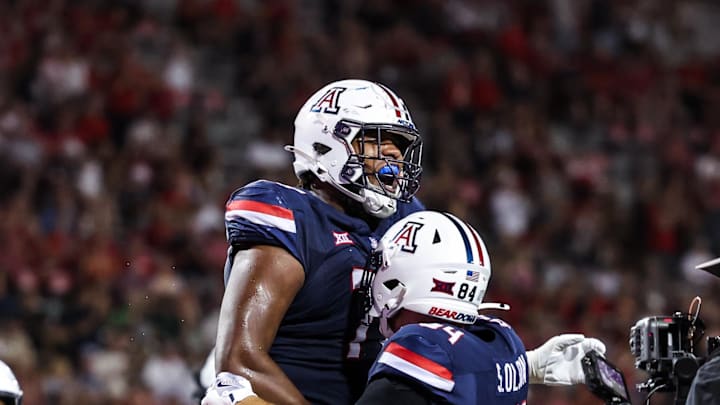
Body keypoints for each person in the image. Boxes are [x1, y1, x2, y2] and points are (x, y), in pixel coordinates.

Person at [202, 79, 605, 405]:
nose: (394, 158)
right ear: (326, 144)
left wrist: (526, 363)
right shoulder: (291, 219)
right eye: (378, 142)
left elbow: (439, 334)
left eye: (399, 145)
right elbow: (238, 362)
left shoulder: (405, 218)